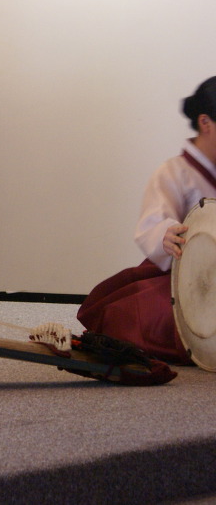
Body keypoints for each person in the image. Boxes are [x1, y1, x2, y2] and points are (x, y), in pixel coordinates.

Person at [78, 77, 216, 363]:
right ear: (206, 122)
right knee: (144, 318)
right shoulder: (175, 171)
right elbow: (154, 222)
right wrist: (167, 234)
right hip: (185, 277)